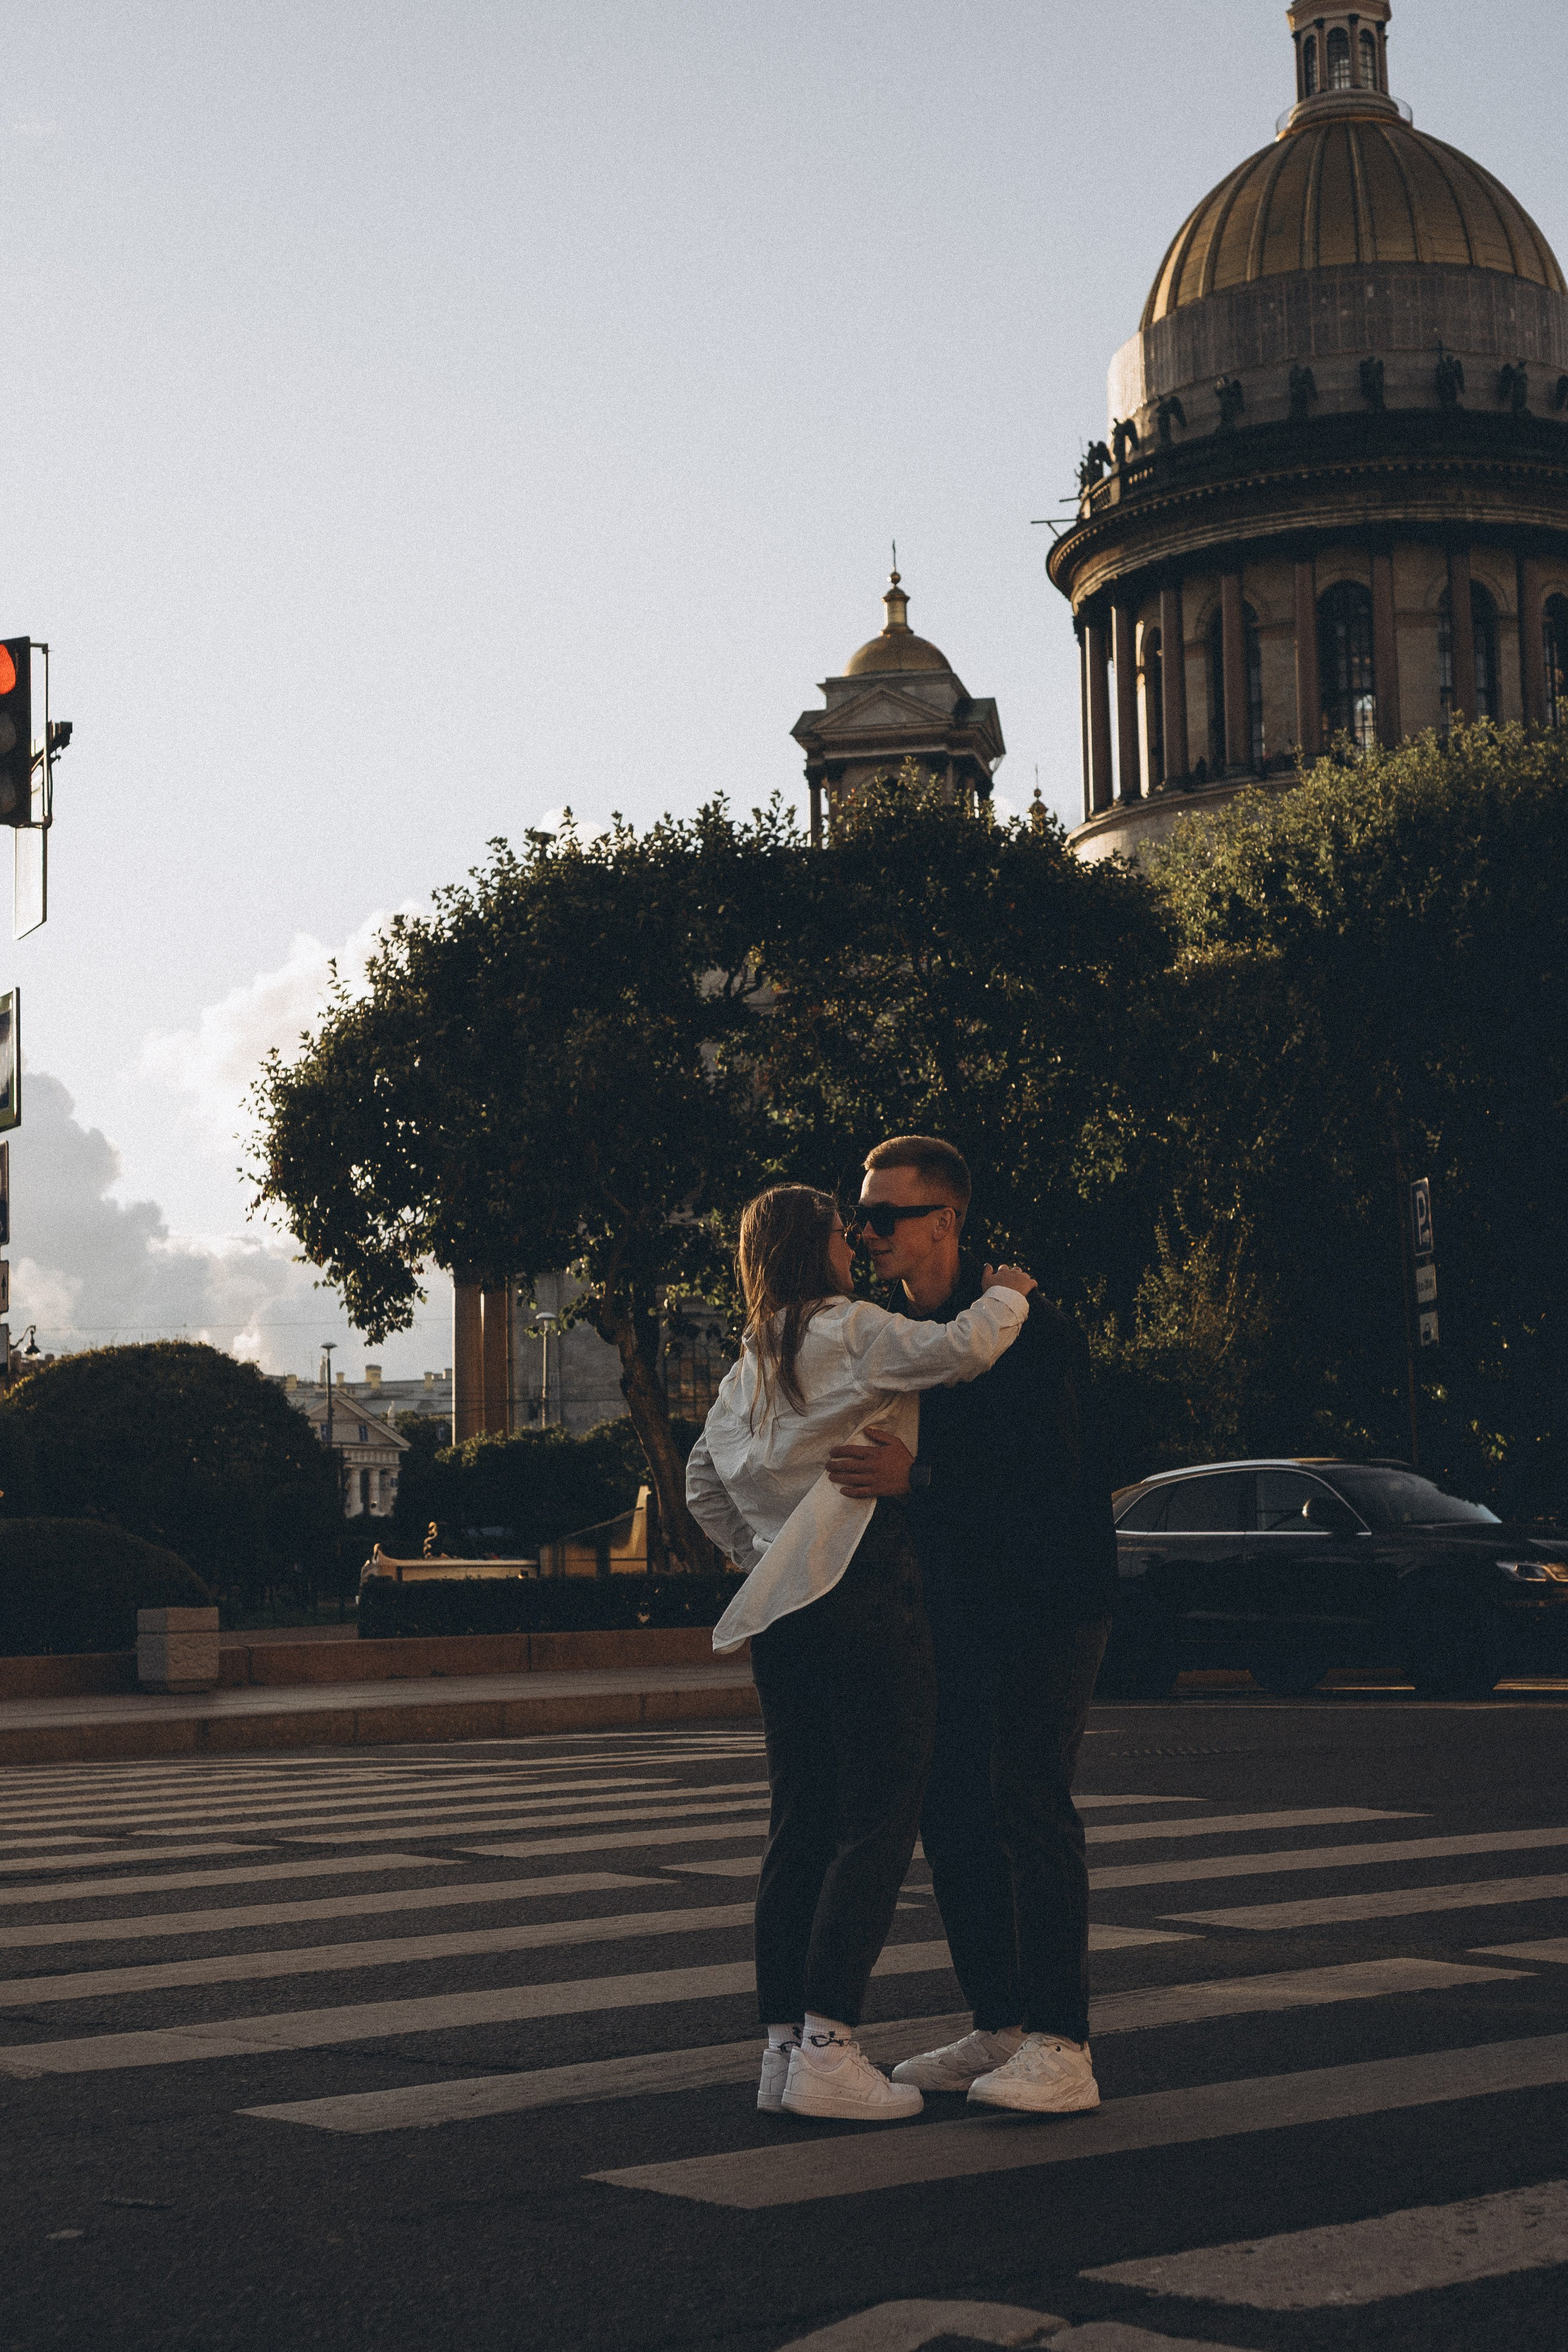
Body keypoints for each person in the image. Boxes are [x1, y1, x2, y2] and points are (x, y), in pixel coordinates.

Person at [685, 1183, 1036, 2125]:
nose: (857, 1245)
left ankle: (782, 2050)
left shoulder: (749, 1362)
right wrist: (1008, 1293)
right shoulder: (852, 1330)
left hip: (781, 1612)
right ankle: (832, 2040)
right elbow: (960, 1350)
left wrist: (762, 1549)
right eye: (847, 1234)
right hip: (865, 1588)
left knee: (798, 1824)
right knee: (878, 1817)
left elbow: (699, 1485)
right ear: (820, 1250)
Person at [825, 1135, 1117, 2115]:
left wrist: (926, 1481)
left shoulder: (1032, 1328)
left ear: (945, 1221)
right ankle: (1000, 2023)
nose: (868, 1234)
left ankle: (1063, 2044)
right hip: (951, 1605)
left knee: (1030, 1798)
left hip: (1048, 1600)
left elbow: (1057, 1482)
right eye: (861, 1217)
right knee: (951, 1811)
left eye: (887, 1217)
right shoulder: (890, 1337)